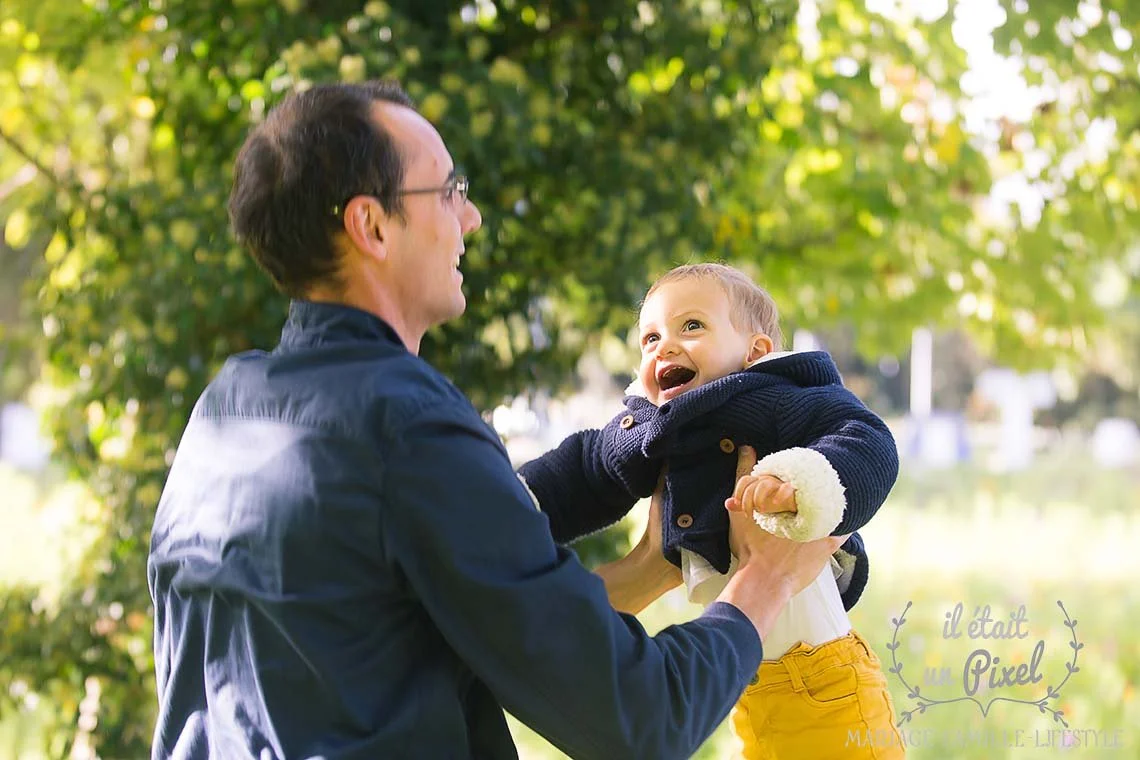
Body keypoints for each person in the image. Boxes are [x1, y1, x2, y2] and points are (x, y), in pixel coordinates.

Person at [146, 80, 847, 760]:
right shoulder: (407, 428)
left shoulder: (224, 411)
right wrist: (767, 578)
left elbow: (407, 641)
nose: (470, 217)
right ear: (370, 225)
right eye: (448, 191)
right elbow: (641, 719)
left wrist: (646, 571)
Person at [518, 263, 905, 759]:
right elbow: (587, 470)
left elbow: (867, 440)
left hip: (822, 678)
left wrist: (799, 485)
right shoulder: (651, 427)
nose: (665, 346)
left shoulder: (776, 399)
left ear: (756, 351)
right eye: (650, 337)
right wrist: (515, 504)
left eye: (692, 326)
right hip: (746, 682)